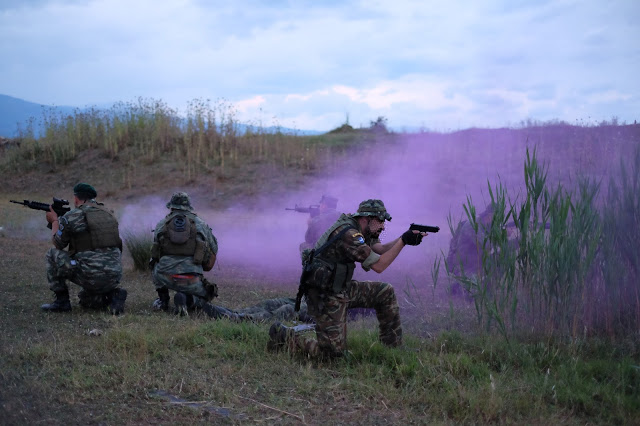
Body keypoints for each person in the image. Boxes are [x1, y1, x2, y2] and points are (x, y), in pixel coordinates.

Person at [268, 199, 427, 358]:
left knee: (385, 291)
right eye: (380, 221)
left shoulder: (360, 228)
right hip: (324, 296)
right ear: (366, 218)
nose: (383, 226)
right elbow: (379, 266)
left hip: (340, 288)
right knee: (332, 355)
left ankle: (393, 346)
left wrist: (405, 239)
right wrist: (403, 241)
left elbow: (380, 249)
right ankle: (284, 336)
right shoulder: (350, 234)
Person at [42, 183, 126, 315]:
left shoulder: (72, 216)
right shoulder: (109, 213)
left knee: (52, 254)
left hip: (90, 274)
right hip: (114, 274)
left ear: (76, 199)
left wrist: (54, 221)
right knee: (86, 301)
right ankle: (113, 295)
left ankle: (62, 302)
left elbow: (58, 244)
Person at [150, 192, 222, 316]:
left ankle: (163, 300)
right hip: (191, 279)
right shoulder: (201, 224)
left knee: (154, 265)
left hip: (164, 276)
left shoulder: (162, 224)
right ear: (189, 206)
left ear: (171, 207)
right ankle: (187, 300)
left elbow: (155, 255)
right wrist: (205, 266)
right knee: (208, 294)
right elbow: (214, 249)